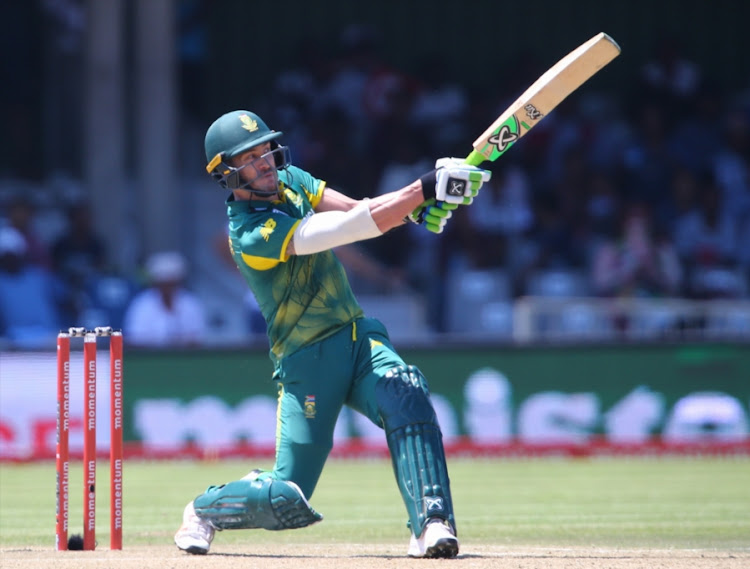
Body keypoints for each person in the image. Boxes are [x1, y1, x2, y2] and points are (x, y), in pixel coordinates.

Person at [173, 110, 490, 558]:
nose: (265, 162)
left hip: (357, 338)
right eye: (250, 157)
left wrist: (419, 208)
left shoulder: (294, 180)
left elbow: (359, 211)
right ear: (227, 173)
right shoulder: (248, 234)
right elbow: (342, 230)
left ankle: (431, 523)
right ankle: (204, 509)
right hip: (307, 361)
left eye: (266, 150)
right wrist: (423, 188)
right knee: (287, 496)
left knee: (406, 391)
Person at [122, 251, 207, 347]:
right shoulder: (142, 304)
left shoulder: (190, 303)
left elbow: (198, 339)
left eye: (171, 284)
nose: (167, 289)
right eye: (164, 284)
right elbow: (134, 340)